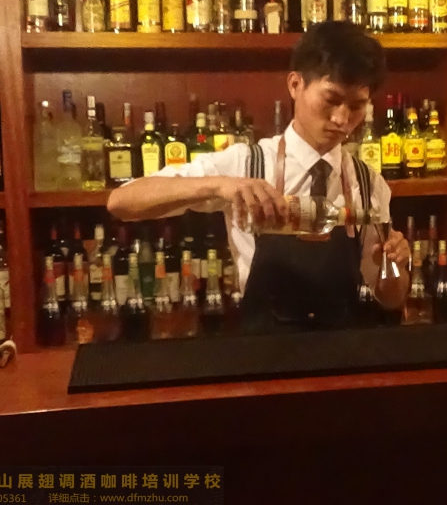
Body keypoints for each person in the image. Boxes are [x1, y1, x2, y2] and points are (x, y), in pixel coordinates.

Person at [108, 22, 410, 332]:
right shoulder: (245, 163)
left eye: (357, 106)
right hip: (262, 349)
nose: (342, 119)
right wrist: (218, 185)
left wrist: (395, 266)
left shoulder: (369, 183)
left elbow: (390, 297)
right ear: (295, 84)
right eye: (331, 100)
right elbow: (121, 202)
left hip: (342, 349)